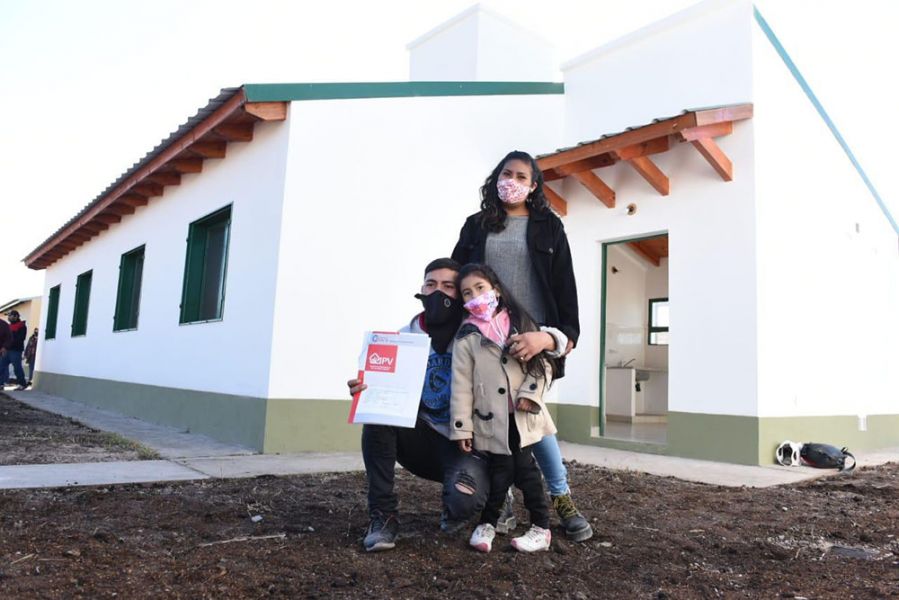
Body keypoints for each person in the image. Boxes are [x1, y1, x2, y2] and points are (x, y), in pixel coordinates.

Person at [451, 150, 593, 542]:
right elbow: (457, 276)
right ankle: (505, 506)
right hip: (487, 341)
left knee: (532, 420)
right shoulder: (476, 226)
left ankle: (561, 498)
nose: (511, 181)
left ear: (533, 186)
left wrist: (556, 336)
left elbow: (566, 289)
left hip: (532, 341)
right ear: (496, 178)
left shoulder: (550, 227)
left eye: (520, 176)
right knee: (496, 419)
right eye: (505, 173)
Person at [347, 258, 490, 552]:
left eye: (449, 286)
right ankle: (383, 517)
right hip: (421, 439)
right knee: (377, 417)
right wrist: (368, 390)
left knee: (463, 504)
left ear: (461, 293)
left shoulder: (479, 332)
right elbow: (386, 387)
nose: (438, 292)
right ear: (421, 290)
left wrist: (550, 337)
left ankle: (496, 494)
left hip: (466, 444)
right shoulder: (404, 336)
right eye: (431, 284)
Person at [451, 263, 557, 553]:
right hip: (490, 418)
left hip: (522, 416)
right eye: (467, 293)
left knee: (524, 470)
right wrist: (462, 427)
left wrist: (530, 395)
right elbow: (461, 385)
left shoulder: (520, 321)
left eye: (480, 288)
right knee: (502, 470)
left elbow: (543, 365)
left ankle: (539, 527)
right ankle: (492, 523)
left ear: (496, 290)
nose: (475, 296)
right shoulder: (466, 336)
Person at [0, 310, 28, 391]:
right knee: (1, 367)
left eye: (10, 315)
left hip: (16, 350)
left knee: (17, 368)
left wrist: (9, 342)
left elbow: (21, 338)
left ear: (16, 316)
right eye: (8, 316)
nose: (8, 317)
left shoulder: (22, 326)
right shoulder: (7, 326)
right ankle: (1, 384)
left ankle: (22, 384)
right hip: (6, 350)